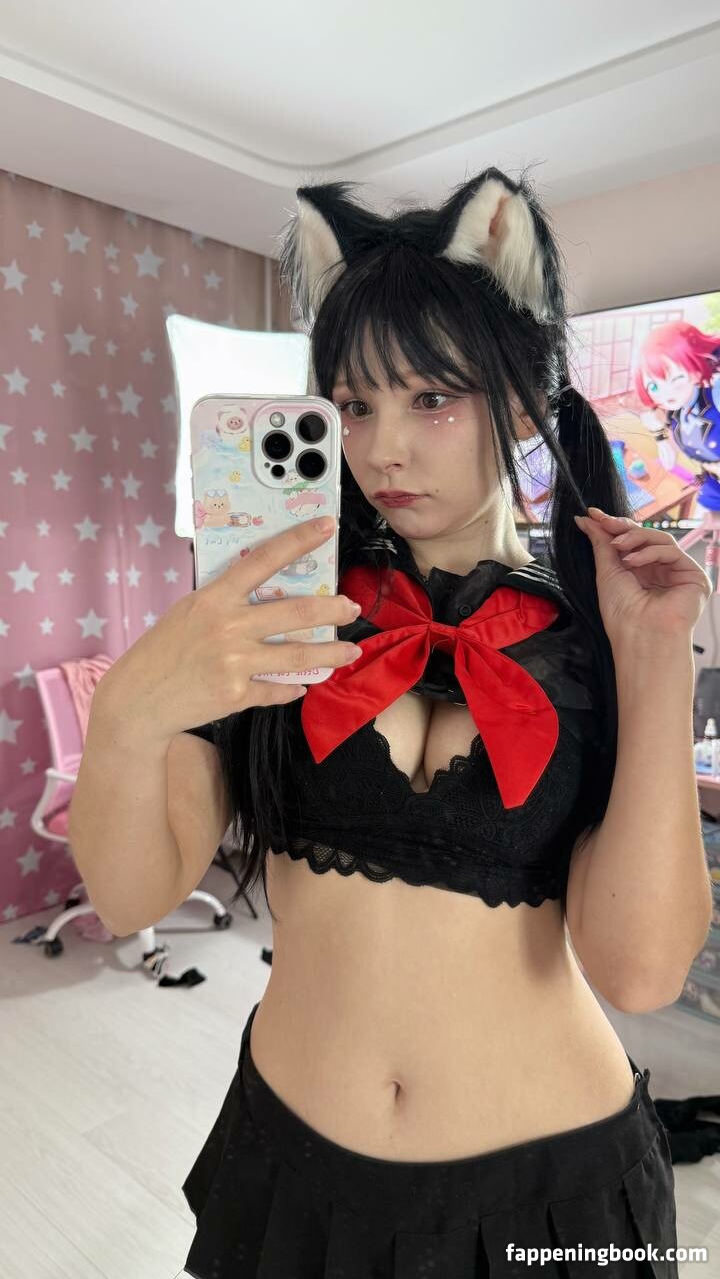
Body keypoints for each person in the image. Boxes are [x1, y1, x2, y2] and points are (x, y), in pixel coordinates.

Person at [70, 168, 698, 1278]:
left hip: (550, 1191)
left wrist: (651, 661)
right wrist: (128, 716)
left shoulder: (597, 637)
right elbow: (130, 897)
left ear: (519, 401)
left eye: (431, 399)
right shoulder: (279, 627)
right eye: (354, 405)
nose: (382, 449)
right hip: (294, 1173)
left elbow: (640, 973)